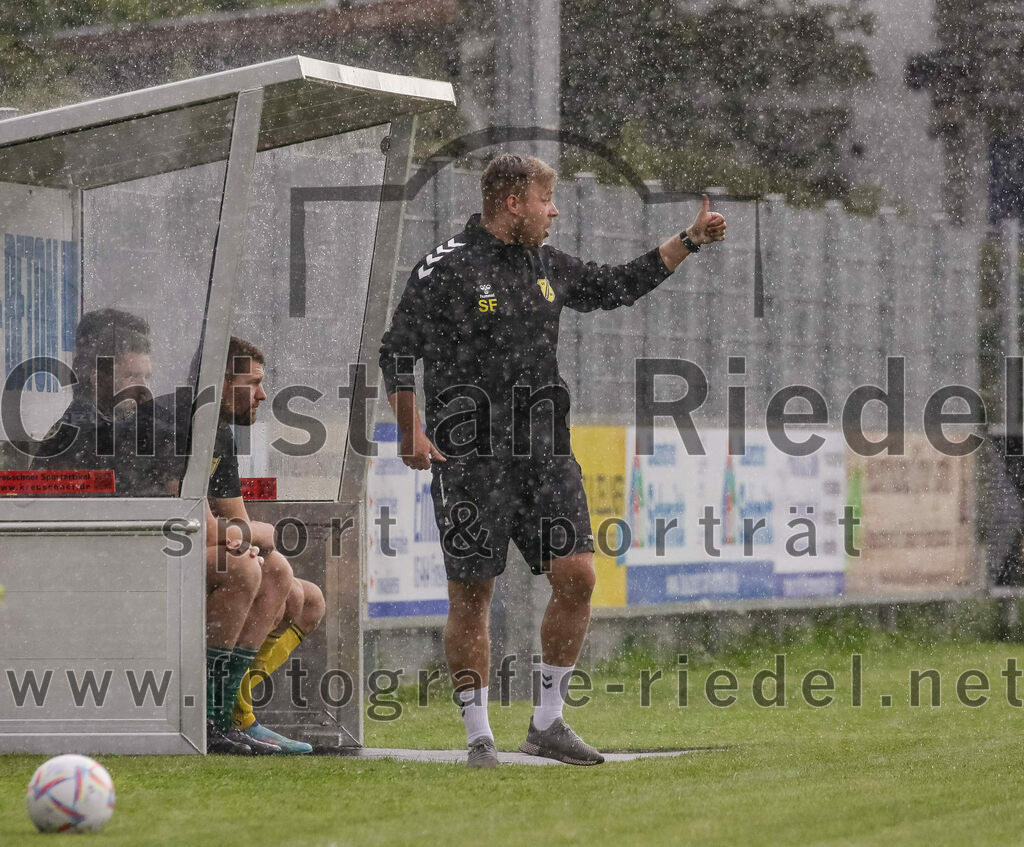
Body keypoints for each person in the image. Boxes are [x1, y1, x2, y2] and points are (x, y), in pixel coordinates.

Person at [379, 153, 726, 767]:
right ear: (513, 203)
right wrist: (411, 431)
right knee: (472, 594)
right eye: (546, 200)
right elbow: (397, 352)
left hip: (545, 453)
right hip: (472, 458)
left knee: (579, 576)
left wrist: (689, 241)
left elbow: (616, 285)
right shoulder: (446, 267)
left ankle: (547, 722)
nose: (554, 211)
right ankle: (479, 736)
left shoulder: (547, 264)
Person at [207, 336, 326, 755]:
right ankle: (214, 716)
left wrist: (251, 538)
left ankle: (235, 711)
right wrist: (257, 536)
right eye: (253, 383)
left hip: (204, 549)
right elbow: (202, 528)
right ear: (220, 382)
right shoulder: (183, 425)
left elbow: (235, 521)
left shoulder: (220, 433)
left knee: (304, 596)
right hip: (164, 554)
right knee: (251, 568)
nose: (262, 395)